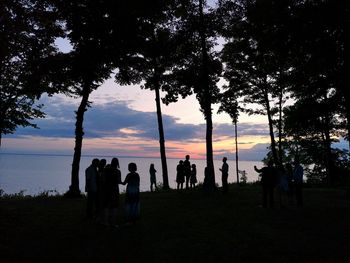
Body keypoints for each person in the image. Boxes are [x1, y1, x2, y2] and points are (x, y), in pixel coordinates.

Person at [100, 158, 122, 227]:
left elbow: (102, 180)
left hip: (106, 189)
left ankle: (106, 222)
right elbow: (119, 181)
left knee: (106, 205)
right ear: (117, 163)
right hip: (115, 189)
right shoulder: (118, 171)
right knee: (114, 205)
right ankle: (113, 222)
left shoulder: (105, 170)